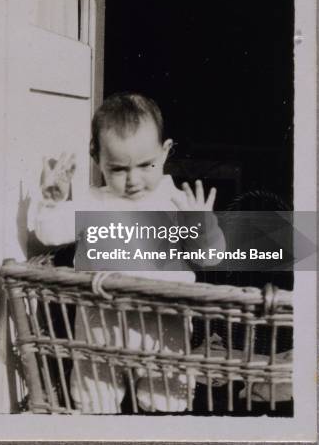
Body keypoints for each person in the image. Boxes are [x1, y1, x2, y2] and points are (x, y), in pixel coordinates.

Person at [35, 92, 226, 413]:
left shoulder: (176, 203)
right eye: (119, 169)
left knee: (165, 405)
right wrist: (53, 202)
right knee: (94, 405)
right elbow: (50, 233)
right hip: (99, 335)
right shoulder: (91, 202)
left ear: (164, 153)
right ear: (97, 158)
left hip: (164, 336)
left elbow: (210, 258)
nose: (133, 179)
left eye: (145, 165)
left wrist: (203, 228)